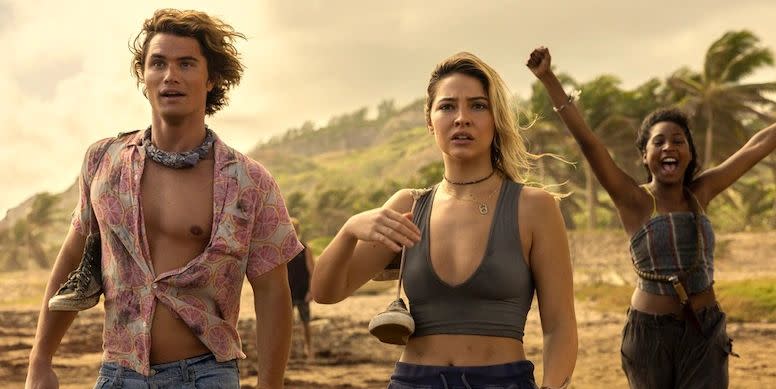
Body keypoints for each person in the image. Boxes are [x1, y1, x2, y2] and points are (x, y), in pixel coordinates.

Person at [25, 9, 302, 389]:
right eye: (158, 63)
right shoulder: (104, 162)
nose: (171, 76)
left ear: (212, 78)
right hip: (119, 373)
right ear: (144, 76)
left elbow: (273, 294)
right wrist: (40, 360)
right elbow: (72, 260)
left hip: (206, 375)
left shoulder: (249, 182)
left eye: (186, 63)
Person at [311, 52, 577, 389]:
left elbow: (560, 325)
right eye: (448, 106)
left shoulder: (533, 207)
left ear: (496, 118)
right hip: (413, 381)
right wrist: (349, 230)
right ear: (430, 121)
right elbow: (324, 292)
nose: (462, 118)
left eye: (478, 106)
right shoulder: (409, 206)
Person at [527, 46, 776, 388]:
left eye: (678, 141)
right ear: (645, 156)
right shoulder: (634, 200)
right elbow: (590, 144)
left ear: (690, 153)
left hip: (704, 331)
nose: (669, 148)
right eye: (658, 142)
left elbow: (756, 145)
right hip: (650, 336)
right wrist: (548, 78)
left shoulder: (700, 193)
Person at [287, 217, 316, 359]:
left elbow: (312, 272)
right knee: (287, 324)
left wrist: (311, 291)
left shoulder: (305, 249)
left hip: (303, 291)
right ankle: (288, 350)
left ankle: (308, 347)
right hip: (287, 293)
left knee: (306, 322)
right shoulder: (283, 249)